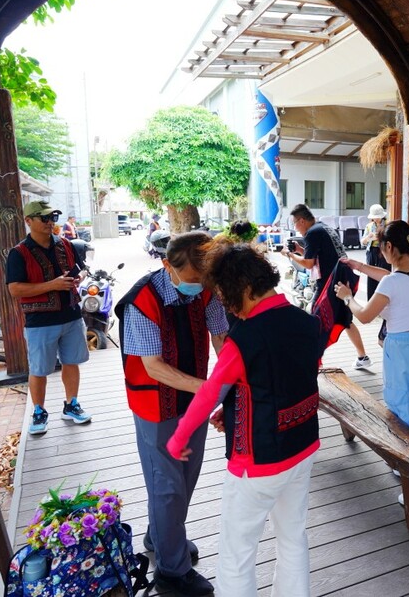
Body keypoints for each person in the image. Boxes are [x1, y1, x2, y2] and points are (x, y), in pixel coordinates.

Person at [167, 240, 321, 597]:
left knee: (237, 552)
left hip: (259, 461)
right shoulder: (306, 322)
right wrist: (236, 409)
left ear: (245, 289)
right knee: (293, 537)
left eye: (226, 295)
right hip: (303, 447)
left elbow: (210, 392)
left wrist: (178, 438)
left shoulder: (245, 337)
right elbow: (289, 377)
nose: (227, 305)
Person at [115, 230, 228, 597]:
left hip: (193, 402)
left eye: (204, 279)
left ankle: (162, 536)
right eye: (194, 279)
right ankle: (172, 571)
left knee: (185, 479)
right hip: (155, 408)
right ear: (167, 265)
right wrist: (210, 388)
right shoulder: (142, 302)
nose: (200, 286)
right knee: (167, 488)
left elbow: (221, 337)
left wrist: (229, 377)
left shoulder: (205, 287)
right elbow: (154, 367)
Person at [332, 220, 409, 504]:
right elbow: (391, 277)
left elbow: (365, 316)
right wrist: (361, 267)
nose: (381, 254)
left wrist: (348, 297)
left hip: (402, 350)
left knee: (401, 416)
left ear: (390, 247)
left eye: (382, 248)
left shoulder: (394, 281)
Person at [6, 201, 91, 435]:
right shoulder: (19, 253)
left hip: (71, 315)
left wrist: (79, 278)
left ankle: (71, 404)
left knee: (71, 362)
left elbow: (81, 268)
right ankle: (39, 411)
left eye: (52, 217)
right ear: (28, 221)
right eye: (43, 218)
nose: (49, 222)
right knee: (39, 369)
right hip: (40, 321)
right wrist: (51, 285)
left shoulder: (65, 244)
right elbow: (14, 289)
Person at [282, 204, 371, 369]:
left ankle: (313, 361)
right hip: (342, 280)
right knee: (346, 320)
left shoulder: (312, 233)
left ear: (301, 221)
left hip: (329, 285)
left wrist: (290, 254)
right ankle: (362, 356)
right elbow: (318, 256)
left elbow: (309, 264)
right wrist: (300, 250)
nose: (295, 227)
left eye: (294, 223)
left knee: (315, 319)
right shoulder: (324, 228)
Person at [361, 204, 391, 299]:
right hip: (371, 252)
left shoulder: (388, 225)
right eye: (374, 217)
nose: (376, 219)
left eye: (378, 217)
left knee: (384, 275)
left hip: (383, 251)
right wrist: (368, 238)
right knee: (371, 274)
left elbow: (391, 239)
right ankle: (371, 300)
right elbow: (362, 242)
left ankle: (384, 298)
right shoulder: (369, 226)